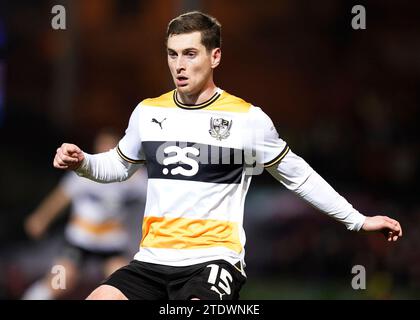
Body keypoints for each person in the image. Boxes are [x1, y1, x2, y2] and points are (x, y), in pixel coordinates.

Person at [52, 11, 402, 300]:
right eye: (173, 54)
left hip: (213, 260)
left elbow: (299, 176)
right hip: (152, 261)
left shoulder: (248, 120)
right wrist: (82, 161)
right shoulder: (147, 113)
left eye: (190, 54)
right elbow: (117, 165)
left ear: (214, 56)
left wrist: (357, 220)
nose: (179, 65)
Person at [22, 129, 147, 300]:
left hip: (110, 242)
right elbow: (61, 197)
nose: (105, 149)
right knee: (59, 282)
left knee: (123, 286)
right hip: (80, 239)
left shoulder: (131, 177)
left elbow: (157, 192)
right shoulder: (85, 172)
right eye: (102, 145)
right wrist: (41, 218)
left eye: (110, 146)